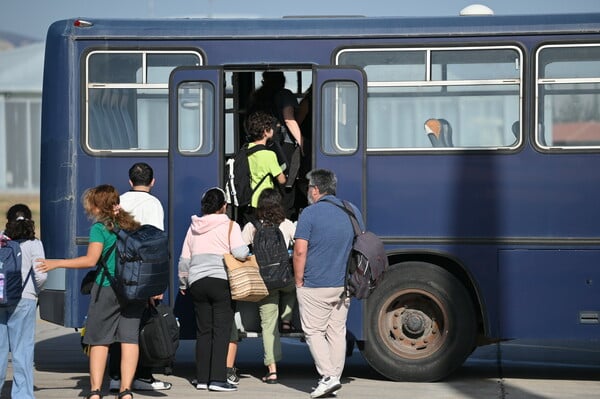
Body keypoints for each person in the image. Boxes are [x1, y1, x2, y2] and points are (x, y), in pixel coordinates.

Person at [37, 184, 143, 399]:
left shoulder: (100, 228)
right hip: (134, 289)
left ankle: (95, 391)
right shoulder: (131, 224)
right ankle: (126, 391)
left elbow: (90, 260)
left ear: (97, 206)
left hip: (108, 289)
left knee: (99, 340)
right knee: (129, 340)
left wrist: (56, 263)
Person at [293, 169, 363, 398]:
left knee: (313, 331)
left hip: (315, 284)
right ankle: (334, 376)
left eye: (308, 189)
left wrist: (298, 280)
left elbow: (300, 251)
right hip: (344, 285)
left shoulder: (309, 214)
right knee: (336, 331)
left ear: (315, 189)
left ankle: (328, 377)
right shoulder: (352, 210)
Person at [177, 187, 249, 392]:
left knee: (203, 331)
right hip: (221, 281)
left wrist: (183, 283)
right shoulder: (230, 225)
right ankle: (217, 379)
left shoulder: (193, 227)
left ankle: (201, 379)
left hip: (198, 283)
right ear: (224, 206)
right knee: (221, 331)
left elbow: (185, 259)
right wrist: (246, 250)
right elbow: (240, 252)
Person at [108, 162, 171, 392]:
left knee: (119, 325)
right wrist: (155, 283)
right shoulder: (154, 204)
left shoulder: (120, 201)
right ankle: (142, 376)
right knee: (142, 325)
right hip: (143, 273)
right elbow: (155, 244)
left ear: (130, 181)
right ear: (153, 182)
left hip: (120, 271)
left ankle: (115, 375)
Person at [241, 188, 296, 384]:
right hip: (284, 279)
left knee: (268, 325)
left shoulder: (252, 226)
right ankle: (287, 319)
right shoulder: (287, 224)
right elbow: (298, 247)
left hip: (265, 282)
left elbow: (240, 250)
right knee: (292, 289)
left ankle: (272, 370)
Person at [0, 204, 47, 399]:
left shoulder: (2, 239)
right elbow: (41, 275)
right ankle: (22, 395)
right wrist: (36, 291)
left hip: (1, 297)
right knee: (22, 351)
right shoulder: (34, 243)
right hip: (24, 299)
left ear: (8, 220)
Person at [248, 71, 303, 219]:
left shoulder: (258, 97)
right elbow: (289, 120)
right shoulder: (284, 94)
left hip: (266, 143)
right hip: (284, 145)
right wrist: (301, 142)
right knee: (287, 186)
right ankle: (285, 220)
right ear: (281, 81)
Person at [244, 111, 286, 224]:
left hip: (249, 199)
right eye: (271, 128)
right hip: (265, 201)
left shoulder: (246, 149)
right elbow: (281, 179)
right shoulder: (269, 155)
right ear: (265, 132)